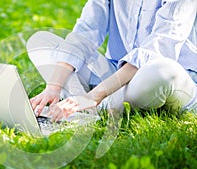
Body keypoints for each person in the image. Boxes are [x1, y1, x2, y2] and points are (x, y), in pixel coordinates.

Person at [26, 0, 197, 122]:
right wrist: (53, 87)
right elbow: (85, 33)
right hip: (117, 72)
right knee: (41, 43)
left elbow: (157, 49)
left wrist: (94, 96)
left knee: (159, 72)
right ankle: (90, 105)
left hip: (168, 77)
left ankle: (90, 106)